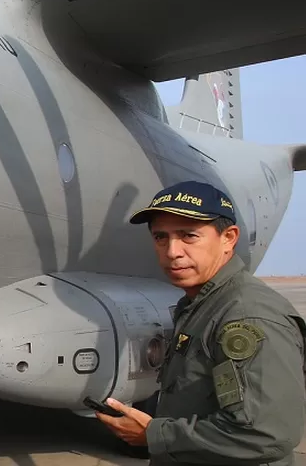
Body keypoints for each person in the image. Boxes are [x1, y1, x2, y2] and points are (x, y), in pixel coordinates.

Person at [94, 180, 306, 465]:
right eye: (160, 237)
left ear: (228, 238)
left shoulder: (246, 315)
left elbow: (266, 434)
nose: (172, 252)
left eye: (189, 236)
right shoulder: (200, 304)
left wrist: (155, 434)